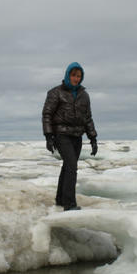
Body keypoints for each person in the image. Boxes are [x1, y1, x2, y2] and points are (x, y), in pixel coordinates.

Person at [42, 62, 98, 211]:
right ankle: (69, 204)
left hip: (77, 135)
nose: (76, 79)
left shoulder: (84, 95)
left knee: (68, 166)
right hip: (61, 135)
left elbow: (88, 118)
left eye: (79, 76)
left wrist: (93, 138)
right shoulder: (55, 92)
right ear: (68, 75)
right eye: (73, 75)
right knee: (72, 166)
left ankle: (60, 200)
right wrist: (48, 136)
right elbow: (47, 114)